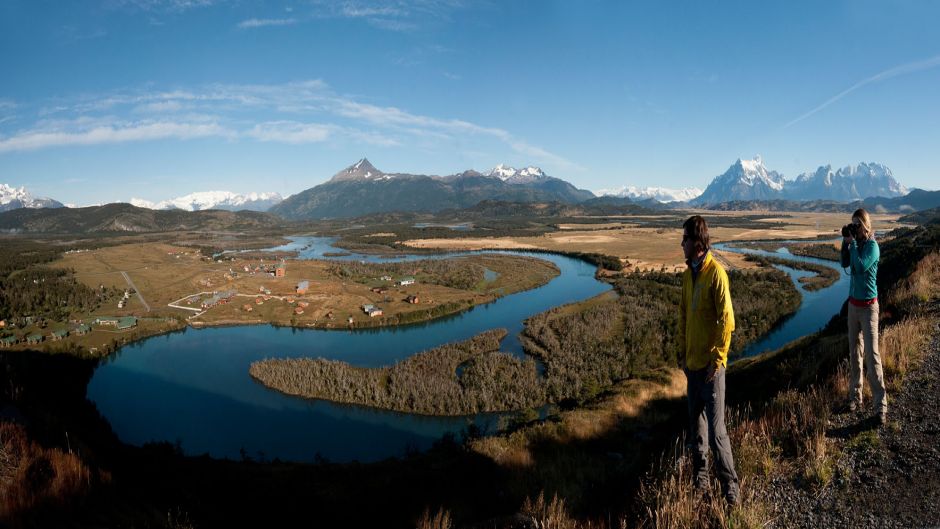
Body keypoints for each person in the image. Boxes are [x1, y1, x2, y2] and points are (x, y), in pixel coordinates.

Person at [677, 215, 740, 504]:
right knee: (696, 429)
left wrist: (717, 360)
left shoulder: (716, 274)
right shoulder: (688, 275)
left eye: (686, 240)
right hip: (692, 367)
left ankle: (731, 488)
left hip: (711, 370)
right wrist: (682, 352)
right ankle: (700, 482)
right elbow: (683, 317)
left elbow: (727, 321)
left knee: (716, 433)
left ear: (698, 242)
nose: (682, 244)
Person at [840, 208, 887, 424]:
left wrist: (854, 245)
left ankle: (880, 405)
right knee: (854, 354)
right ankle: (855, 397)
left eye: (856, 225)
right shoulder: (856, 244)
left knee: (872, 355)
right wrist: (846, 243)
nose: (854, 228)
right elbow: (845, 263)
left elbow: (858, 267)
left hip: (869, 308)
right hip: (853, 306)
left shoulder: (872, 247)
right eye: (852, 225)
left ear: (865, 225)